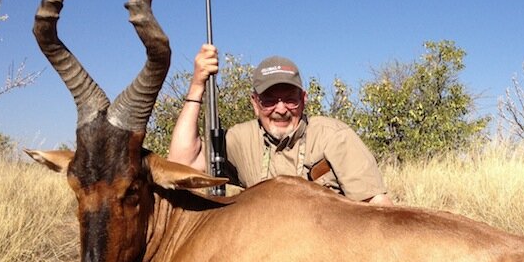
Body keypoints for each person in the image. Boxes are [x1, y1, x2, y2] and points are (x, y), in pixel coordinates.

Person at [168, 44, 394, 205]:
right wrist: (197, 85)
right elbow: (181, 163)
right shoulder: (240, 138)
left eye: (290, 99)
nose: (281, 109)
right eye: (269, 100)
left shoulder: (335, 136)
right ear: (255, 104)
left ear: (304, 99)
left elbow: (378, 204)